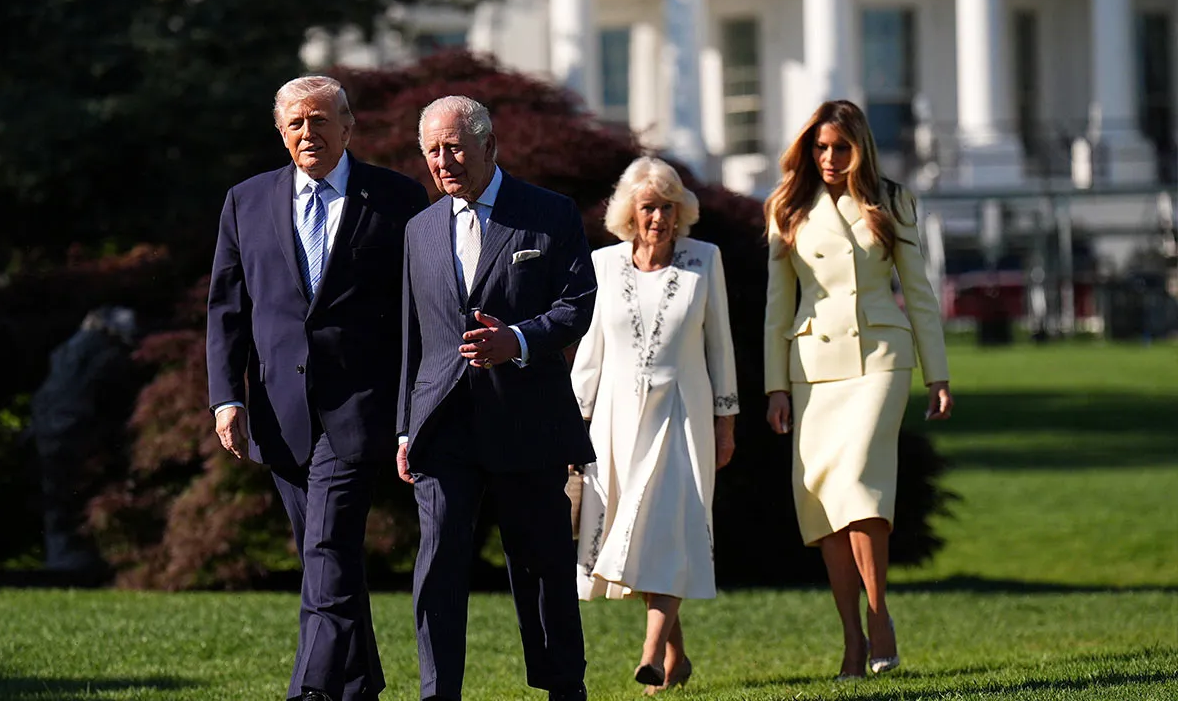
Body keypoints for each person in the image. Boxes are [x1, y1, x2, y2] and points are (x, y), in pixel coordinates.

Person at [207, 75, 428, 701]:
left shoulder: (397, 198)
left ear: (348, 127)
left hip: (359, 410)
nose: (310, 133)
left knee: (328, 543)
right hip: (279, 413)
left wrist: (416, 405)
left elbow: (422, 307)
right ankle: (359, 684)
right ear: (281, 131)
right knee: (323, 558)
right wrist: (228, 396)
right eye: (297, 123)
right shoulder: (245, 202)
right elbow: (227, 309)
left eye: (322, 120)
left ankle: (311, 689)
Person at [396, 95, 596, 701]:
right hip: (443, 425)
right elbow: (413, 334)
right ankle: (439, 692)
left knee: (541, 565)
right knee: (438, 566)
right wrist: (406, 428)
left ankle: (563, 686)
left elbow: (577, 304)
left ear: (490, 145)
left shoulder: (549, 213)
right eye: (432, 150)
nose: (442, 160)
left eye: (454, 146)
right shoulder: (419, 229)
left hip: (526, 418)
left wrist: (518, 340)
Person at [762, 100, 954, 679]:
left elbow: (918, 291)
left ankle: (880, 618)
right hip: (814, 367)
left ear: (861, 148)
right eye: (819, 147)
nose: (827, 158)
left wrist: (937, 372)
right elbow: (778, 307)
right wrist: (775, 387)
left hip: (880, 358)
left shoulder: (893, 201)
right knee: (823, 503)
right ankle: (851, 640)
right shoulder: (787, 207)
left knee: (859, 485)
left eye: (839, 148)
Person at [570, 157, 738, 694]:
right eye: (649, 207)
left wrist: (726, 418)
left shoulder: (704, 260)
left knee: (666, 526)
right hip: (616, 423)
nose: (659, 218)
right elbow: (590, 354)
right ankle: (677, 656)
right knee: (636, 535)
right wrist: (574, 424)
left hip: (684, 417)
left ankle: (651, 655)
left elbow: (721, 347)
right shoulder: (602, 265)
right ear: (629, 212)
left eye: (668, 208)